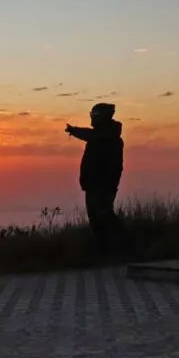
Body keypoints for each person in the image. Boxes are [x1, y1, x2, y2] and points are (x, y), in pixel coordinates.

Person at [65, 102, 124, 252]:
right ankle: (106, 250)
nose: (91, 117)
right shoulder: (101, 136)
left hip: (102, 186)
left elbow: (91, 135)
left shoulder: (108, 137)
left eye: (95, 115)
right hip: (93, 185)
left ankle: (124, 244)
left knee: (104, 217)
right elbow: (90, 135)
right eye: (91, 114)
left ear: (104, 117)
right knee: (97, 220)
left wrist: (74, 130)